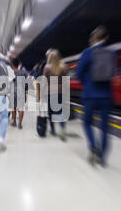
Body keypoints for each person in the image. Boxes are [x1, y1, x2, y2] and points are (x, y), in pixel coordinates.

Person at [76, 26, 113, 167]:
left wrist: (87, 83)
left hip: (90, 95)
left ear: (93, 38)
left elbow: (79, 73)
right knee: (104, 128)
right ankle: (102, 158)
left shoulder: (87, 52)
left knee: (86, 122)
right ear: (106, 38)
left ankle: (92, 146)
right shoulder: (111, 53)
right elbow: (112, 73)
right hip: (106, 96)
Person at [43, 49, 67, 141]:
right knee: (60, 111)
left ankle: (53, 130)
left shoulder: (47, 67)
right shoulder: (63, 67)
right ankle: (62, 129)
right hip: (61, 92)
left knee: (50, 112)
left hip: (50, 92)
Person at [10, 58, 27, 129]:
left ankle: (14, 122)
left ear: (12, 65)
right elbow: (26, 83)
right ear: (18, 64)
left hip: (12, 91)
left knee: (13, 108)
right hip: (21, 92)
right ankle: (20, 124)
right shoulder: (23, 73)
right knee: (21, 108)